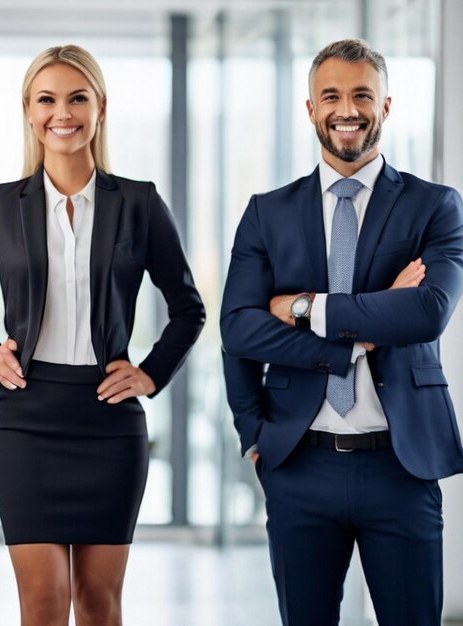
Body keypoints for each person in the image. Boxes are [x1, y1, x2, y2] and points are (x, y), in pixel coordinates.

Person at [0, 44, 205, 626]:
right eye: (47, 99)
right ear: (30, 113)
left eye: (77, 97)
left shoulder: (139, 203)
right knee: (43, 602)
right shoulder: (0, 204)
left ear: (100, 108)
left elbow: (189, 307)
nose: (64, 112)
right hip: (23, 417)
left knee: (100, 604)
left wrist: (151, 372)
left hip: (109, 419)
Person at [220, 38, 463, 626]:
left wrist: (305, 308)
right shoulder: (267, 212)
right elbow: (239, 330)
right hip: (299, 464)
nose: (346, 109)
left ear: (386, 105)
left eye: (362, 95)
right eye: (331, 95)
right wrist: (255, 434)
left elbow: (427, 312)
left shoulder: (435, 206)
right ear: (310, 108)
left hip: (401, 467)